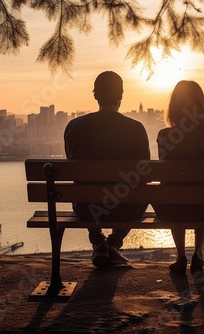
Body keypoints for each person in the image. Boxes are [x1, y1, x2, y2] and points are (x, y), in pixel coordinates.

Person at [64, 71, 150, 267]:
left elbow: (73, 167)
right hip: (127, 207)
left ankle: (98, 241)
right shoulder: (136, 128)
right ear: (121, 95)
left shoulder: (74, 127)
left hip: (87, 207)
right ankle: (113, 243)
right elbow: (145, 174)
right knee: (140, 193)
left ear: (95, 95)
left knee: (84, 193)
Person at [153, 80, 204, 274]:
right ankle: (198, 253)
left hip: (172, 210)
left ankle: (181, 255)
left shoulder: (165, 136)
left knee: (173, 193)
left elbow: (166, 176)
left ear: (173, 107)